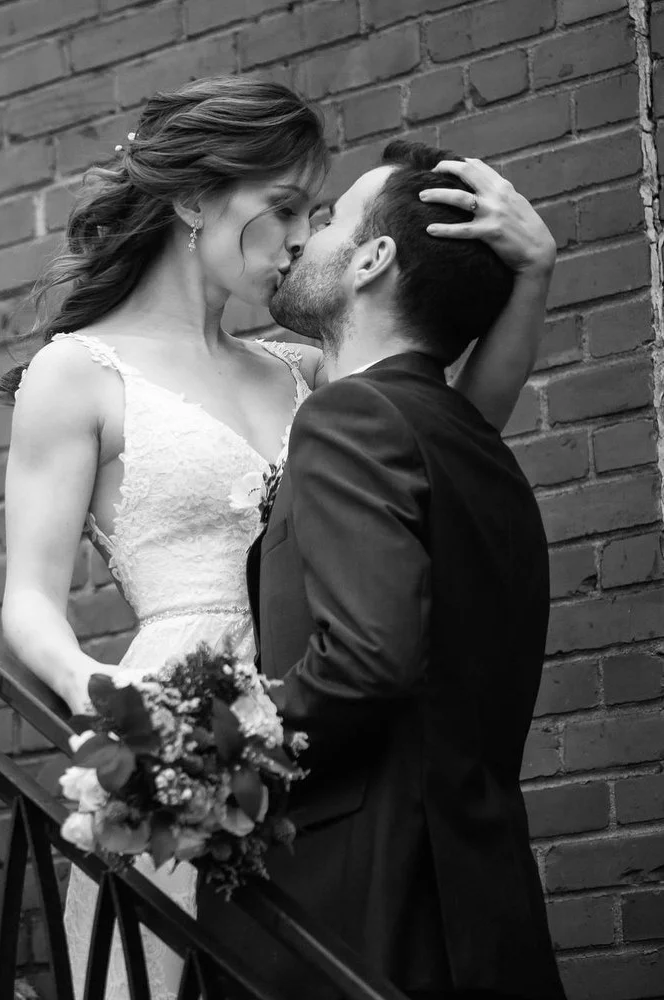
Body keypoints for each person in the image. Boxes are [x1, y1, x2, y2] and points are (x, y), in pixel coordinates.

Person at [0, 78, 556, 1000]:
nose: (302, 237)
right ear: (193, 200)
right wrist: (112, 702)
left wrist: (533, 274)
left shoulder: (303, 372)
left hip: (326, 726)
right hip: (191, 723)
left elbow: (455, 430)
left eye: (316, 211)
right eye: (284, 207)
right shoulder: (77, 373)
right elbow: (27, 599)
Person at [193, 141, 566, 1000]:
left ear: (372, 258)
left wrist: (212, 752)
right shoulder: (471, 445)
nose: (306, 237)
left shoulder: (347, 416)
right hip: (482, 906)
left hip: (362, 911)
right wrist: (534, 273)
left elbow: (369, 657)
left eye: (328, 221)